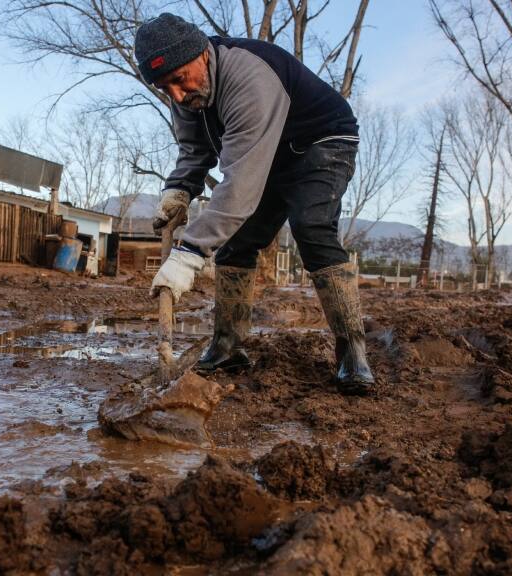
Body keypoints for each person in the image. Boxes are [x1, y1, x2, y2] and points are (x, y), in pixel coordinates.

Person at [135, 13, 374, 394]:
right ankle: (228, 348)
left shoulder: (249, 76)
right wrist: (179, 189)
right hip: (269, 152)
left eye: (180, 81)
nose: (177, 96)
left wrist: (189, 254)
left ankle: (353, 354)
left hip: (321, 141)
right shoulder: (185, 93)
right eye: (165, 89)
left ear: (202, 55)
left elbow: (242, 183)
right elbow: (195, 149)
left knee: (311, 227)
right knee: (237, 243)